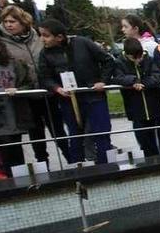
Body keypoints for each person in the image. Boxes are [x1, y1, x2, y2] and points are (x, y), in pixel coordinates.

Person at [0, 4, 68, 164]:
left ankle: (72, 160)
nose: (8, 25)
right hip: (25, 94)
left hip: (47, 91)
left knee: (58, 130)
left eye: (12, 21)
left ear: (22, 22)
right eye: (5, 21)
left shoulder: (38, 37)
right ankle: (43, 165)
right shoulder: (3, 42)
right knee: (36, 134)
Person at [37, 19, 114, 164]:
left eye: (46, 36)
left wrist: (102, 81)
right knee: (75, 135)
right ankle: (78, 170)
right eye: (41, 35)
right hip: (68, 99)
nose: (42, 39)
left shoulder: (83, 43)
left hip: (93, 95)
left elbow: (107, 61)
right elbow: (44, 77)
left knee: (101, 132)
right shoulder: (45, 54)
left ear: (59, 37)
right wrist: (56, 88)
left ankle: (106, 165)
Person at [110, 38, 160, 157]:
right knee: (142, 135)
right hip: (135, 107)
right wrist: (132, 81)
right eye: (134, 58)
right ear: (127, 55)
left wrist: (145, 83)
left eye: (139, 57)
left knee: (158, 133)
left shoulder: (148, 60)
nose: (137, 60)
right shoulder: (119, 62)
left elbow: (157, 76)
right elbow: (118, 77)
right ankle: (148, 156)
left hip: (153, 105)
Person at [0, 37, 33, 177]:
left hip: (14, 111)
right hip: (0, 116)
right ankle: (9, 179)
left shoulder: (15, 64)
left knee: (16, 145)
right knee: (5, 147)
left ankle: (20, 178)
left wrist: (17, 89)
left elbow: (28, 83)